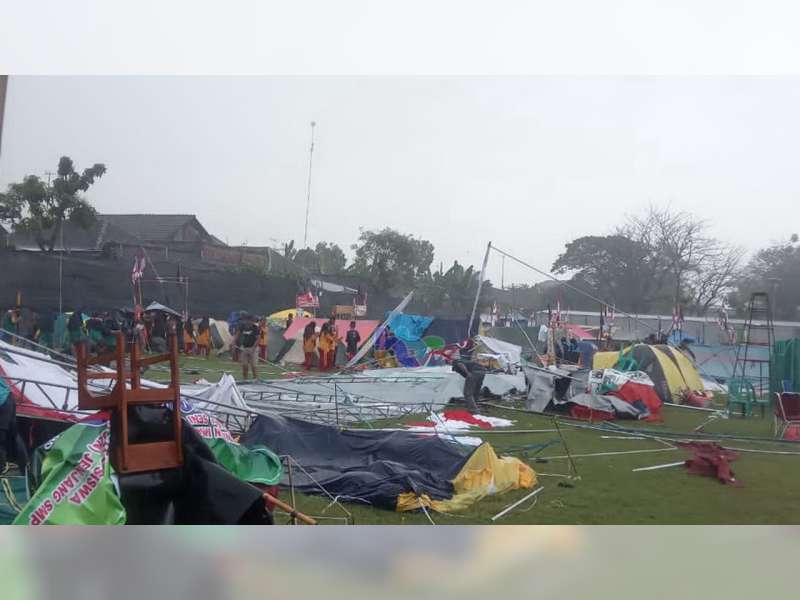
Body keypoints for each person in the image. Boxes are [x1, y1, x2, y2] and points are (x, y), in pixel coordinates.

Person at [234, 313, 260, 380]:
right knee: (244, 365)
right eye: (249, 320)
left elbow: (258, 339)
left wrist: (253, 349)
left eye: (252, 321)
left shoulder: (256, 328)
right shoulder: (242, 327)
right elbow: (237, 334)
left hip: (253, 348)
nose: (250, 322)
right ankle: (245, 379)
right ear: (246, 320)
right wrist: (233, 342)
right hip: (244, 348)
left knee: (253, 365)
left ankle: (255, 379)